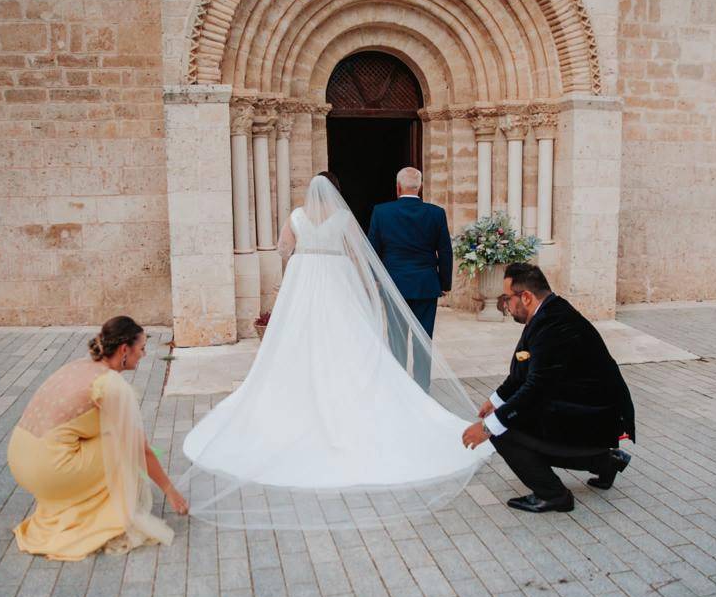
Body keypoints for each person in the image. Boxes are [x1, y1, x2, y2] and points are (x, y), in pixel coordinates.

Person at [180, 175, 490, 529]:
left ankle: (301, 389)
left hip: (304, 277)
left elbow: (283, 249)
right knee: (349, 336)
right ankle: (395, 388)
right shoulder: (344, 218)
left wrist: (301, 257)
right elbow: (360, 254)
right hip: (339, 277)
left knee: (300, 336)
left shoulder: (297, 216)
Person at [7, 316, 188, 560]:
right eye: (142, 348)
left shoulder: (79, 365)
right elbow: (140, 449)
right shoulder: (111, 385)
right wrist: (170, 490)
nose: (144, 355)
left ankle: (77, 509)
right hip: (49, 469)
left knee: (111, 434)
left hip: (20, 456)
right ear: (125, 350)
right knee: (122, 445)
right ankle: (100, 520)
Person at [461, 263, 635, 513]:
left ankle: (554, 495)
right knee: (510, 422)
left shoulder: (555, 326)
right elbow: (524, 370)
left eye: (507, 299)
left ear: (527, 297)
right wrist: (496, 399)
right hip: (581, 407)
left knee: (503, 432)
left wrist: (489, 426)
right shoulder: (548, 314)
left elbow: (535, 389)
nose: (506, 306)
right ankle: (606, 462)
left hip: (594, 415)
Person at [367, 167, 453, 390]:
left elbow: (372, 250)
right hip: (426, 284)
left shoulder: (381, 212)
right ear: (420, 187)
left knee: (397, 339)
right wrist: (444, 283)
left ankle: (399, 389)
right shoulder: (436, 213)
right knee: (423, 340)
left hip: (394, 285)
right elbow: (444, 251)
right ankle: (422, 389)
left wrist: (375, 280)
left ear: (397, 187)